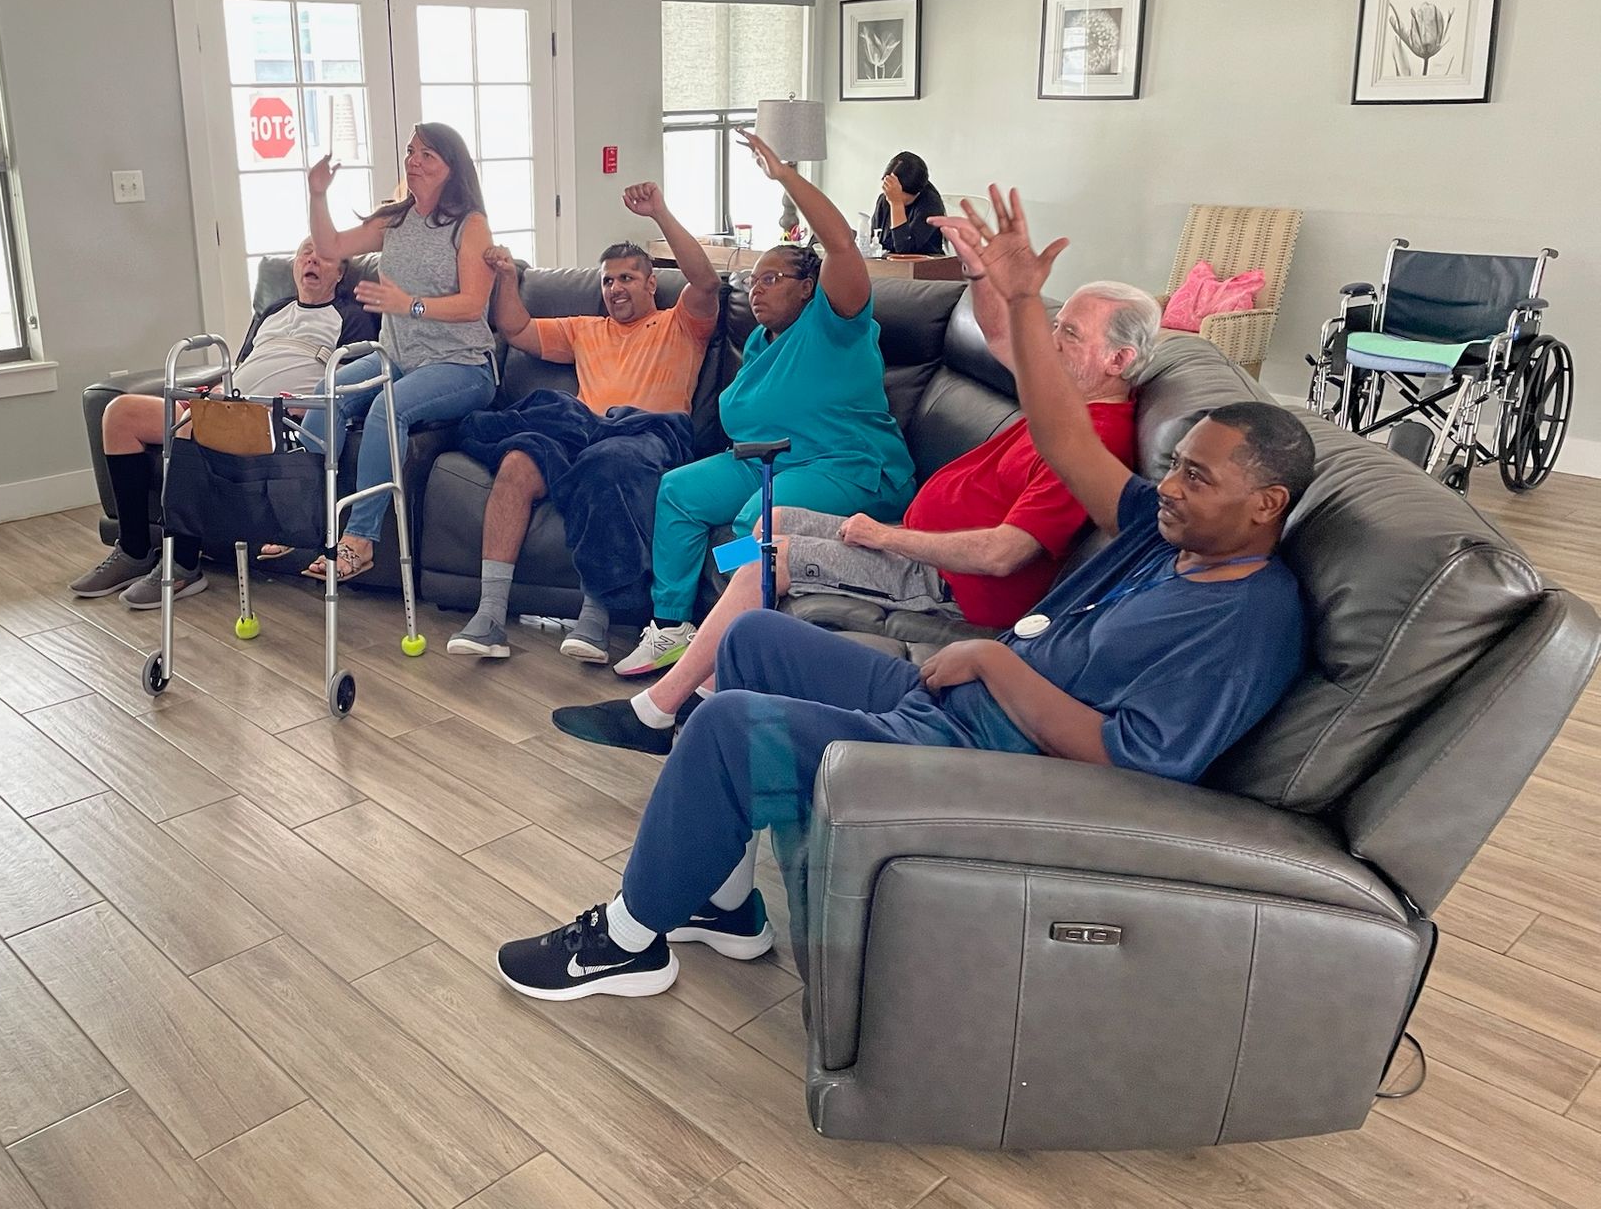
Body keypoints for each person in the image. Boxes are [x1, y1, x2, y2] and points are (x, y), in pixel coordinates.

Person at [496, 183, 1312, 1002]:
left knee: (724, 721)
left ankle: (630, 941)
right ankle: (726, 903)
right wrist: (1025, 301)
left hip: (993, 756)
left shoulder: (1245, 617)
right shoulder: (1159, 532)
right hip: (957, 699)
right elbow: (1064, 428)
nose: (1168, 487)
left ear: (1266, 504)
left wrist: (994, 666)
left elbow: (1131, 760)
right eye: (1173, 466)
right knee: (750, 638)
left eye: (1194, 478)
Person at [553, 269, 1162, 752]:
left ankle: (658, 710)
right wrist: (981, 269)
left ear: (1118, 361)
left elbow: (1003, 554)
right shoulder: (1062, 401)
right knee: (769, 525)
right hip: (918, 540)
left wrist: (887, 537)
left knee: (772, 554)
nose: (1050, 343)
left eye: (1071, 335)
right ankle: (703, 679)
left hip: (949, 581)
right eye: (1056, 328)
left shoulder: (1093, 441)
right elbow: (1004, 338)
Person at [610, 130, 917, 677]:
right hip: (766, 460)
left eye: (772, 278)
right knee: (678, 490)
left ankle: (727, 643)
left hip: (847, 467)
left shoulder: (837, 322)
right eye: (753, 279)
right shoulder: (757, 342)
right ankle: (672, 626)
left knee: (756, 522)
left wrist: (784, 177)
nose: (756, 289)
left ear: (808, 286)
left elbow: (842, 244)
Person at [447, 182, 722, 663]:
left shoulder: (681, 323)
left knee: (606, 464)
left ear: (651, 283)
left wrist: (659, 213)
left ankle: (595, 617)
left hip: (647, 437)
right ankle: (490, 617)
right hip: (582, 429)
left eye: (627, 279)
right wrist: (508, 277)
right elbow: (515, 329)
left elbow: (705, 282)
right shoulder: (584, 330)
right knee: (516, 461)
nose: (615, 288)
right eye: (608, 281)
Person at [68, 237, 374, 607]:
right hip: (229, 405)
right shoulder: (274, 311)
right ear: (294, 266)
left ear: (340, 273)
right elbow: (242, 368)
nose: (311, 260)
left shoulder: (350, 318)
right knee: (120, 414)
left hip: (275, 422)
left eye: (323, 257)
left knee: (194, 425)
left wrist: (299, 408)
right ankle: (133, 550)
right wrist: (209, 390)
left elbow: (348, 388)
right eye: (304, 253)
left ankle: (182, 566)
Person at [262, 123, 497, 582]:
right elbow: (331, 246)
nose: (414, 161)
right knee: (328, 391)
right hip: (398, 356)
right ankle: (301, 519)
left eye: (427, 155)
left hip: (462, 364)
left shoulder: (471, 226)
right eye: (410, 151)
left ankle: (361, 540)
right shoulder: (395, 218)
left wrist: (409, 304)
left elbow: (472, 305)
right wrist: (316, 195)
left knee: (387, 409)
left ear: (452, 167)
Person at [870, 150, 948, 256]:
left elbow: (905, 249)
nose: (889, 196)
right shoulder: (885, 198)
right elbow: (876, 240)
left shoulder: (931, 204)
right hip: (888, 267)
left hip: (924, 267)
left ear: (917, 192)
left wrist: (896, 204)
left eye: (898, 194)